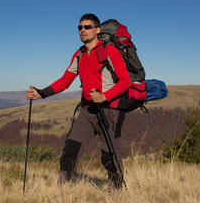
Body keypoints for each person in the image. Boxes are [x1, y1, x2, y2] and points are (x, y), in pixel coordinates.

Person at [26, 13, 130, 189]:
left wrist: (105, 96)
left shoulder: (109, 50)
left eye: (87, 27)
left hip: (111, 109)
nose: (83, 30)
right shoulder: (80, 54)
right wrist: (41, 93)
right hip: (88, 110)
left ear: (97, 30)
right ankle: (64, 190)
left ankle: (116, 192)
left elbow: (125, 81)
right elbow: (65, 80)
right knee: (70, 149)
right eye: (80, 27)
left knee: (109, 154)